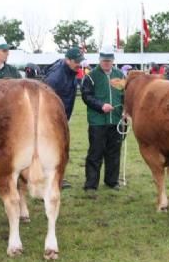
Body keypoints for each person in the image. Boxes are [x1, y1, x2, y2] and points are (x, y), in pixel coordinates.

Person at [81, 45, 125, 195]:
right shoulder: (91, 76)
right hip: (97, 121)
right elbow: (86, 96)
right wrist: (101, 106)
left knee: (114, 153)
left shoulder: (120, 75)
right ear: (99, 60)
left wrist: (126, 111)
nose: (106, 63)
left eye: (109, 60)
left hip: (117, 120)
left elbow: (125, 95)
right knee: (95, 153)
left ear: (113, 60)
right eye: (104, 60)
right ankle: (91, 185)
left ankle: (112, 181)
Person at [44, 47, 85, 190]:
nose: (79, 64)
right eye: (76, 62)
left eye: (80, 61)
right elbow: (45, 100)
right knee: (53, 149)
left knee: (61, 149)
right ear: (68, 60)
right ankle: (52, 179)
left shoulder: (70, 72)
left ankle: (57, 177)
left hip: (63, 117)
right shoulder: (56, 77)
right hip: (51, 120)